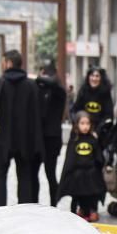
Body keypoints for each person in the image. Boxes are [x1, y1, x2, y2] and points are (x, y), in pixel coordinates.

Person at [0, 50, 45, 206]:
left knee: (0, 177)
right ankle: (24, 212)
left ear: (8, 63)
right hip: (26, 140)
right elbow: (40, 112)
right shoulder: (31, 86)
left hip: (3, 139)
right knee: (25, 178)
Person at [58, 111, 105, 221]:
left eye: (87, 124)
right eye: (82, 123)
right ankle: (78, 209)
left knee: (92, 182)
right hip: (77, 174)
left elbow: (99, 158)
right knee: (77, 181)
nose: (85, 126)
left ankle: (92, 209)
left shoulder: (93, 139)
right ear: (77, 125)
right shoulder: (74, 140)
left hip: (91, 172)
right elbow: (70, 160)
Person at [35, 63, 68, 204]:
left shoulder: (58, 90)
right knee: (33, 174)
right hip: (39, 138)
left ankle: (53, 204)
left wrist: (38, 78)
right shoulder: (41, 90)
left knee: (50, 174)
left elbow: (53, 82)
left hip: (52, 139)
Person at [71, 66, 115, 130]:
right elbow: (75, 110)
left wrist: (98, 130)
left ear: (101, 78)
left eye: (97, 76)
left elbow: (109, 116)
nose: (94, 79)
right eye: (92, 76)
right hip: (83, 129)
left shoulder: (106, 93)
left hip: (100, 130)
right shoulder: (83, 91)